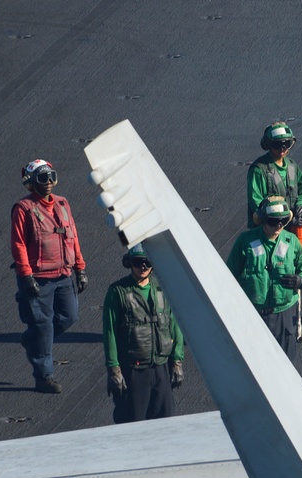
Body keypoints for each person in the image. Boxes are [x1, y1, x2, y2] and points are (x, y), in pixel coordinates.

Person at [11, 160, 88, 394]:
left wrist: (80, 269)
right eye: (42, 179)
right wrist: (26, 277)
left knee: (68, 317)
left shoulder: (63, 204)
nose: (48, 183)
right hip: (38, 278)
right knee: (43, 327)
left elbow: (72, 237)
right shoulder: (23, 208)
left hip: (63, 275)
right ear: (32, 183)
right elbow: (18, 245)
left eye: (51, 177)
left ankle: (31, 338)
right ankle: (45, 376)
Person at [102, 243, 184, 424]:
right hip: (133, 371)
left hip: (161, 368)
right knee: (133, 422)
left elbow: (175, 325)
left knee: (167, 420)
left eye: (147, 262)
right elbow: (110, 334)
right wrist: (114, 370)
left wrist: (177, 361)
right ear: (129, 263)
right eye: (138, 262)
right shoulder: (118, 292)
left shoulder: (163, 288)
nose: (143, 267)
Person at [227, 196, 302, 362]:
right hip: (254, 315)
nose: (279, 225)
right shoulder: (245, 241)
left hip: (283, 315)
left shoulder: (291, 241)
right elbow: (228, 276)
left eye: (283, 221)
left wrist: (300, 280)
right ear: (263, 220)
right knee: (255, 364)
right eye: (274, 221)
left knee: (287, 368)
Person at [247, 121, 302, 248]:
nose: (282, 149)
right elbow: (256, 202)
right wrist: (285, 218)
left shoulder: (292, 167)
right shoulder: (260, 170)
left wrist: (301, 206)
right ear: (268, 145)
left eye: (286, 144)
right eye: (277, 145)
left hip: (290, 231)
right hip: (267, 232)